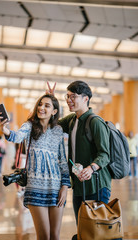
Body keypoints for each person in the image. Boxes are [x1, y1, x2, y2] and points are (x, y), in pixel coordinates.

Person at [47, 81, 121, 240]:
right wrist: (51, 100)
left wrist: (91, 168)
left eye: (73, 96)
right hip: (79, 185)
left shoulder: (95, 122)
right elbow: (54, 124)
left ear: (86, 98)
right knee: (83, 229)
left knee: (96, 231)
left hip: (97, 185)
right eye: (67, 97)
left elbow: (104, 154)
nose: (69, 100)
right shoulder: (72, 120)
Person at [0, 94, 71, 240]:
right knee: (43, 236)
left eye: (47, 105)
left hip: (56, 189)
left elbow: (63, 161)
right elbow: (17, 136)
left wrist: (64, 187)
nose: (41, 108)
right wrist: (4, 129)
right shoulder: (29, 126)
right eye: (40, 104)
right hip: (35, 188)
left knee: (55, 236)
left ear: (54, 111)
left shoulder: (58, 131)